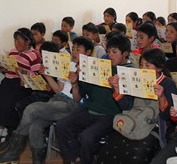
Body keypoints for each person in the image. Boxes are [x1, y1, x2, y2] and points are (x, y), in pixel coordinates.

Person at [0, 37, 94, 164]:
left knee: (31, 109)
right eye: (73, 48)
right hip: (57, 100)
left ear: (88, 52)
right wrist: (47, 75)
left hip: (73, 105)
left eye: (78, 49)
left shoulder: (90, 71)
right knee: (35, 126)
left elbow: (78, 100)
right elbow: (58, 89)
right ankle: (37, 161)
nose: (74, 52)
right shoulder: (69, 65)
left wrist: (75, 84)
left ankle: (13, 152)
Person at [56, 33, 132, 164]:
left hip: (110, 115)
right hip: (90, 110)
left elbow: (128, 105)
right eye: (108, 52)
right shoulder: (103, 66)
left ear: (125, 53)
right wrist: (79, 80)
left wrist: (117, 88)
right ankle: (74, 158)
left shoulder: (129, 72)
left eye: (115, 52)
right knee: (62, 125)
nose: (110, 55)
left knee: (87, 137)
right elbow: (86, 92)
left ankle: (85, 159)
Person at [97, 48, 177, 163]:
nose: (143, 69)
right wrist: (117, 89)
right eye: (141, 65)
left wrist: (162, 97)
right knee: (108, 150)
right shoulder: (136, 80)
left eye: (147, 65)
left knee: (136, 155)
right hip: (133, 120)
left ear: (159, 68)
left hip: (153, 127)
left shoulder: (168, 83)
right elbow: (127, 107)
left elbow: (166, 117)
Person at [0, 28, 41, 152]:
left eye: (19, 41)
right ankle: (3, 134)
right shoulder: (13, 52)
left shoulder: (34, 54)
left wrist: (24, 72)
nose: (16, 44)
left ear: (27, 42)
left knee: (6, 107)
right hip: (8, 83)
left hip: (22, 85)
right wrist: (1, 67)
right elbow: (7, 70)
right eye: (15, 41)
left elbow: (37, 77)